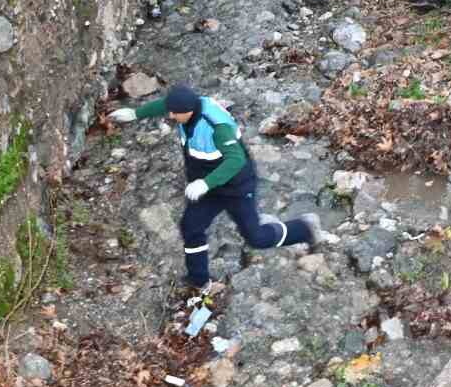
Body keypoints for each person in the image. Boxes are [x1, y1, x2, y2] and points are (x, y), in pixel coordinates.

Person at [108, 85, 324, 287]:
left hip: (235, 187)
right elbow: (165, 104)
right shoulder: (186, 106)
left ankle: (304, 229)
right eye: (170, 111)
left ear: (188, 110)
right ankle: (199, 280)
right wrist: (135, 114)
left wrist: (204, 183)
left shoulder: (216, 127)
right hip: (208, 187)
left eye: (175, 113)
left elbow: (235, 160)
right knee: (191, 227)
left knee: (256, 238)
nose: (170, 116)